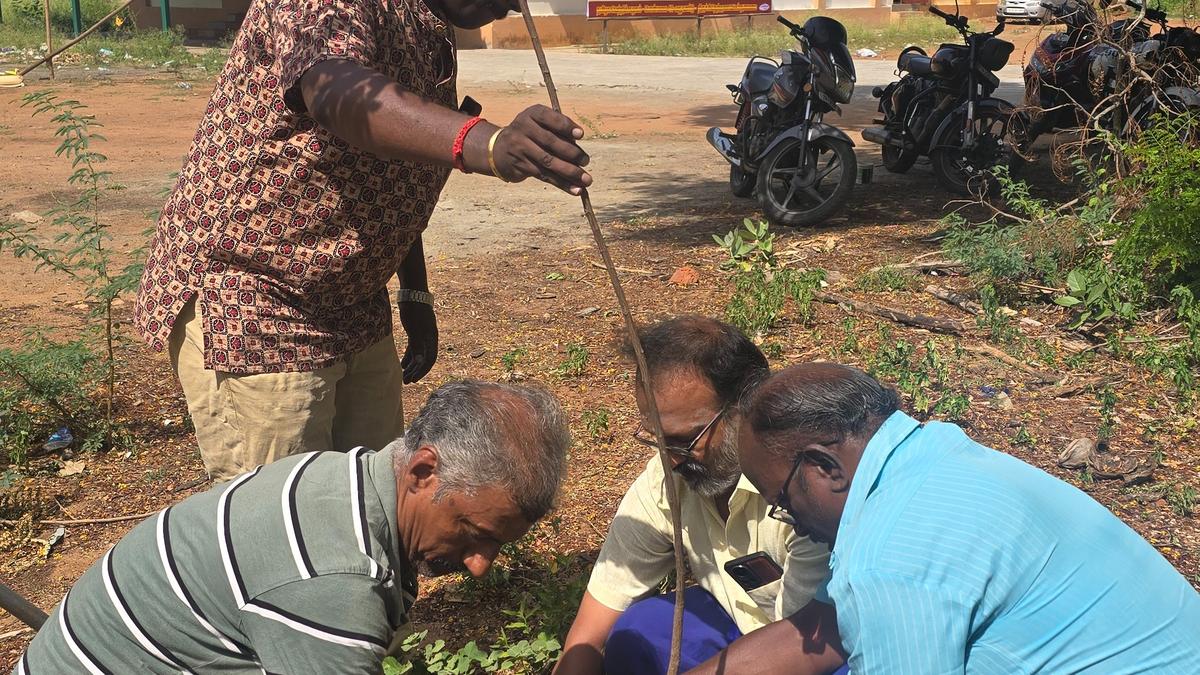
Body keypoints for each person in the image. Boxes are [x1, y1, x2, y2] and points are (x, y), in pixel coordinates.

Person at [133, 0, 592, 481]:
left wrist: (414, 291)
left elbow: (394, 170)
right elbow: (334, 91)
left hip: (352, 299)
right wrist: (486, 144)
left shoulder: (427, 22)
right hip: (255, 295)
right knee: (284, 515)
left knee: (370, 495)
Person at [13, 380, 570, 674]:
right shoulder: (333, 581)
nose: (478, 566)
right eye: (475, 534)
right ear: (423, 471)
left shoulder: (343, 477)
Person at [730, 362, 1200, 673]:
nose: (792, 521)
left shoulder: (885, 561)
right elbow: (824, 625)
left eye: (784, 502)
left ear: (825, 468)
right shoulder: (931, 454)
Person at [555, 317, 840, 675]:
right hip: (741, 623)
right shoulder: (667, 480)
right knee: (638, 631)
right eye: (658, 440)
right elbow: (591, 632)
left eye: (687, 440)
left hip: (817, 643)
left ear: (748, 408)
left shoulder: (804, 489)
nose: (672, 460)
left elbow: (800, 645)